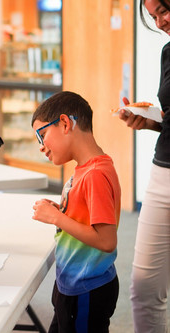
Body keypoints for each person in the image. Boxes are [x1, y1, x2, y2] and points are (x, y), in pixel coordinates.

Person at [31, 91, 121, 332]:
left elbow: (106, 240)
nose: (41, 147)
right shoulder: (85, 169)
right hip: (72, 282)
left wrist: (57, 217)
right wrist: (62, 212)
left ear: (64, 123)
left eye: (42, 135)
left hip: (87, 288)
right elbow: (88, 217)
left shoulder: (95, 175)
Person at [117, 1, 170, 332]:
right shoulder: (169, 53)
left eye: (164, 9)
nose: (161, 21)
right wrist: (149, 122)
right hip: (163, 173)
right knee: (145, 288)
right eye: (153, 16)